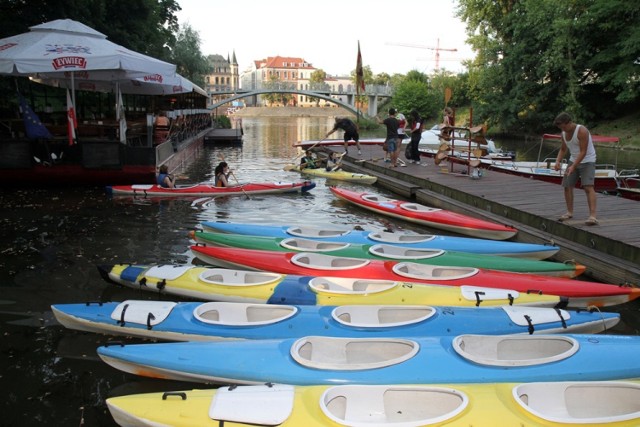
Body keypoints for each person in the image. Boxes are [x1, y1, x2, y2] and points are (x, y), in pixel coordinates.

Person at [553, 112, 598, 225]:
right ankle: (569, 212)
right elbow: (563, 149)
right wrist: (557, 161)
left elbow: (583, 151)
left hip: (588, 160)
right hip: (573, 159)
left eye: (564, 127)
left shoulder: (582, 131)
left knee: (588, 187)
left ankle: (592, 216)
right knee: (567, 186)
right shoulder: (563, 133)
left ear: (569, 123)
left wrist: (573, 166)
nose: (563, 130)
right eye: (561, 128)